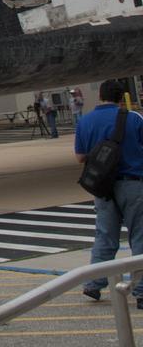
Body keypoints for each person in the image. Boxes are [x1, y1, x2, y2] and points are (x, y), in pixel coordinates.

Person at [74, 79, 143, 307]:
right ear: (120, 97)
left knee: (105, 236)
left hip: (102, 187)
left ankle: (94, 284)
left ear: (101, 96)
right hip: (133, 184)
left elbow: (80, 157)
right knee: (139, 236)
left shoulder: (85, 121)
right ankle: (141, 289)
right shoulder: (133, 118)